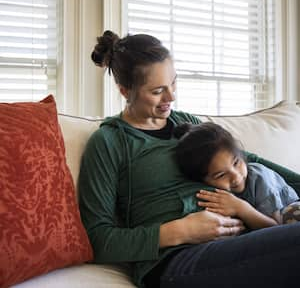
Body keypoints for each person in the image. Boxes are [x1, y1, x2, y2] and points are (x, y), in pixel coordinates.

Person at [78, 30, 300, 288]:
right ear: (124, 90)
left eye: (173, 83)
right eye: (157, 91)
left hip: (241, 241)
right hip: (177, 260)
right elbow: (98, 239)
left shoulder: (186, 122)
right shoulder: (109, 143)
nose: (171, 97)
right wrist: (178, 231)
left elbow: (245, 160)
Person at [174, 122, 300, 228]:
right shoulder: (215, 192)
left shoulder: (260, 178)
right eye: (221, 175)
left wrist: (241, 208)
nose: (236, 177)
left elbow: (275, 228)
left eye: (236, 163)